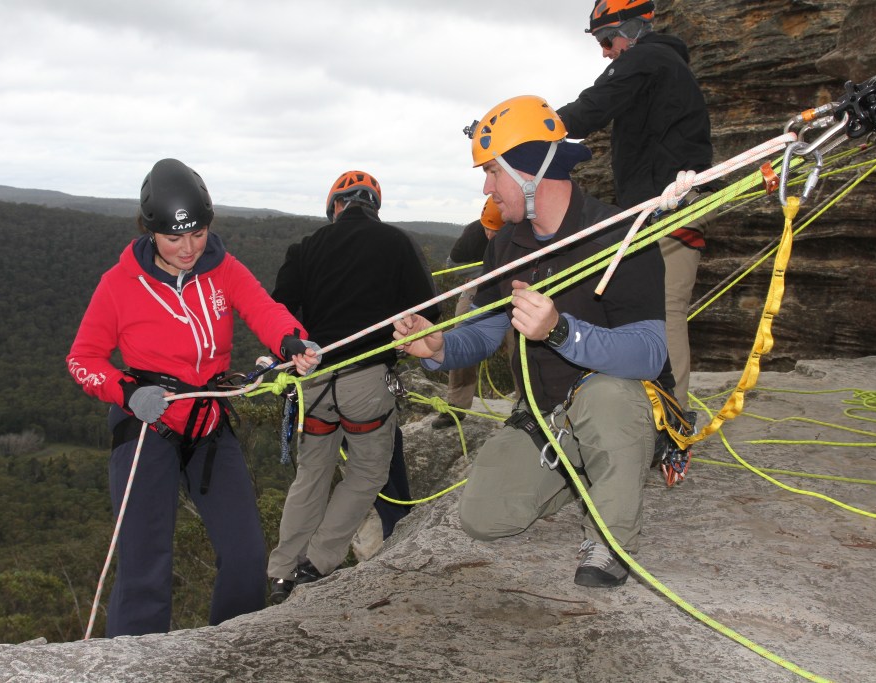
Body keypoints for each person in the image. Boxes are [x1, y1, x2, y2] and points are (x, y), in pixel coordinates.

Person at [394, 96, 668, 587]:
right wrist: (439, 348)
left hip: (612, 401)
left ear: (529, 171)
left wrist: (561, 332)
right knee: (483, 516)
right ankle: (588, 471)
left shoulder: (620, 236)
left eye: (493, 172)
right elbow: (486, 327)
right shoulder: (506, 247)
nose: (487, 187)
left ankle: (609, 539)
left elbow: (649, 351)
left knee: (607, 397)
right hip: (546, 415)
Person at [66, 158, 320, 637]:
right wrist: (127, 391)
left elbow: (263, 309)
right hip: (146, 426)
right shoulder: (119, 285)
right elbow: (83, 358)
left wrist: (291, 341)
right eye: (174, 238)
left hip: (206, 424)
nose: (188, 248)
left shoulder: (223, 270)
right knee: (145, 564)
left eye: (198, 234)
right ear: (151, 231)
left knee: (246, 554)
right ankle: (137, 666)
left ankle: (229, 651)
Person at [267, 170, 440, 603]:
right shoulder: (396, 243)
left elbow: (280, 311)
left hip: (315, 380)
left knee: (312, 472)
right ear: (373, 208)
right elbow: (427, 311)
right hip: (365, 382)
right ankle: (317, 562)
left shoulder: (304, 247)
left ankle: (281, 571)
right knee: (366, 472)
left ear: (336, 207)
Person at [556, 0, 718, 410]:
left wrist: (529, 126)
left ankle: (673, 418)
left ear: (630, 29)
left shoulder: (646, 58)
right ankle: (655, 405)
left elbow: (590, 109)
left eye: (607, 39)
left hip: (670, 204)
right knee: (650, 307)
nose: (605, 51)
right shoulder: (663, 64)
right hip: (663, 204)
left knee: (664, 311)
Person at [432, 197, 514, 429]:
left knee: (520, 342)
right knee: (462, 335)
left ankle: (527, 403)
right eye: (487, 229)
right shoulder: (473, 234)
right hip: (479, 285)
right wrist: (484, 272)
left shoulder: (520, 233)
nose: (490, 236)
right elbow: (452, 264)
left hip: (515, 284)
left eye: (496, 231)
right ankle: (456, 406)